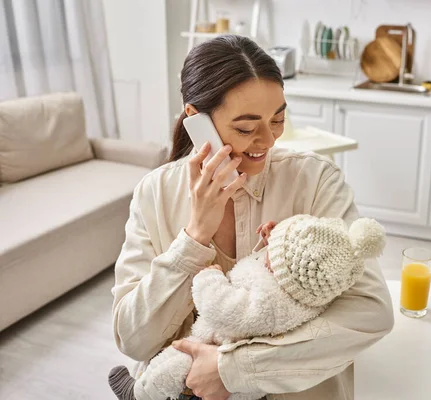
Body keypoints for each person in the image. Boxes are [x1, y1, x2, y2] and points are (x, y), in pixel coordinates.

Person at [111, 34, 394, 400]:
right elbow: (132, 339)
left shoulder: (315, 180)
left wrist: (234, 370)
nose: (267, 140)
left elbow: (370, 311)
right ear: (197, 121)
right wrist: (195, 237)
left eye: (277, 119)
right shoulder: (155, 193)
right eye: (245, 128)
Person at [108, 215, 386, 400]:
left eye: (272, 256)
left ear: (282, 273)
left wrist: (209, 278)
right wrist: (272, 240)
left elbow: (227, 311)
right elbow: (279, 266)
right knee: (174, 357)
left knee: (175, 364)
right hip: (218, 348)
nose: (264, 256)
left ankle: (140, 394)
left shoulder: (269, 302)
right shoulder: (306, 293)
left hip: (217, 346)